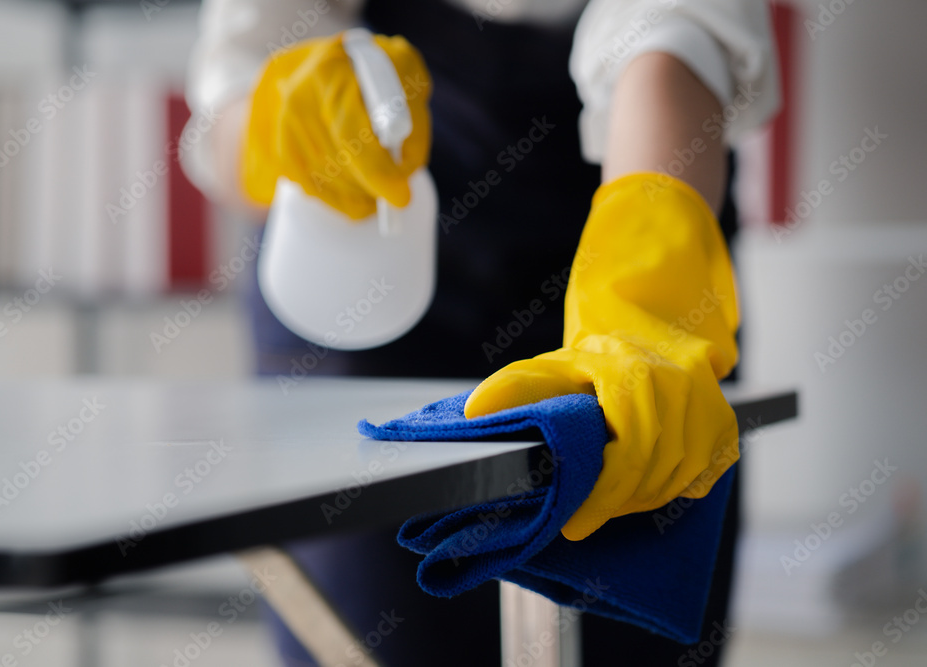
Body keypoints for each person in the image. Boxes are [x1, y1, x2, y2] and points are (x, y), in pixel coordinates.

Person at [182, 1, 781, 664]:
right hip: (367, 250)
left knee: (635, 620)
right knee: (368, 632)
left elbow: (676, 33)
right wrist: (277, 126)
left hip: (635, 199)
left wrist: (651, 294)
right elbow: (232, 95)